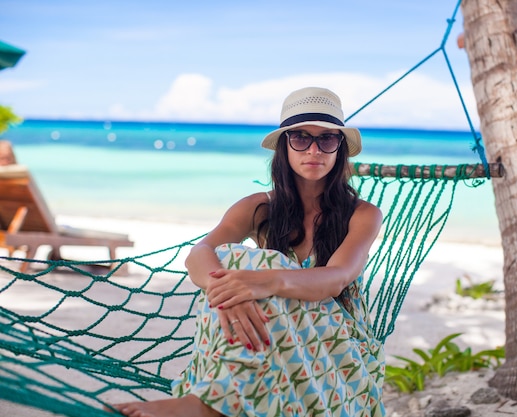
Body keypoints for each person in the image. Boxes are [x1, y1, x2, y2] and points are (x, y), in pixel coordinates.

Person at [112, 87, 385, 417]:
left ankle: (205, 406)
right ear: (284, 147)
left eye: (327, 139)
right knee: (231, 260)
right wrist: (227, 292)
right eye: (300, 138)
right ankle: (211, 402)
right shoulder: (258, 207)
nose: (314, 150)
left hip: (338, 351)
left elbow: (336, 278)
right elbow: (198, 253)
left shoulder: (363, 214)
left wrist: (264, 282)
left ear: (339, 148)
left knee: (256, 264)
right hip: (271, 342)